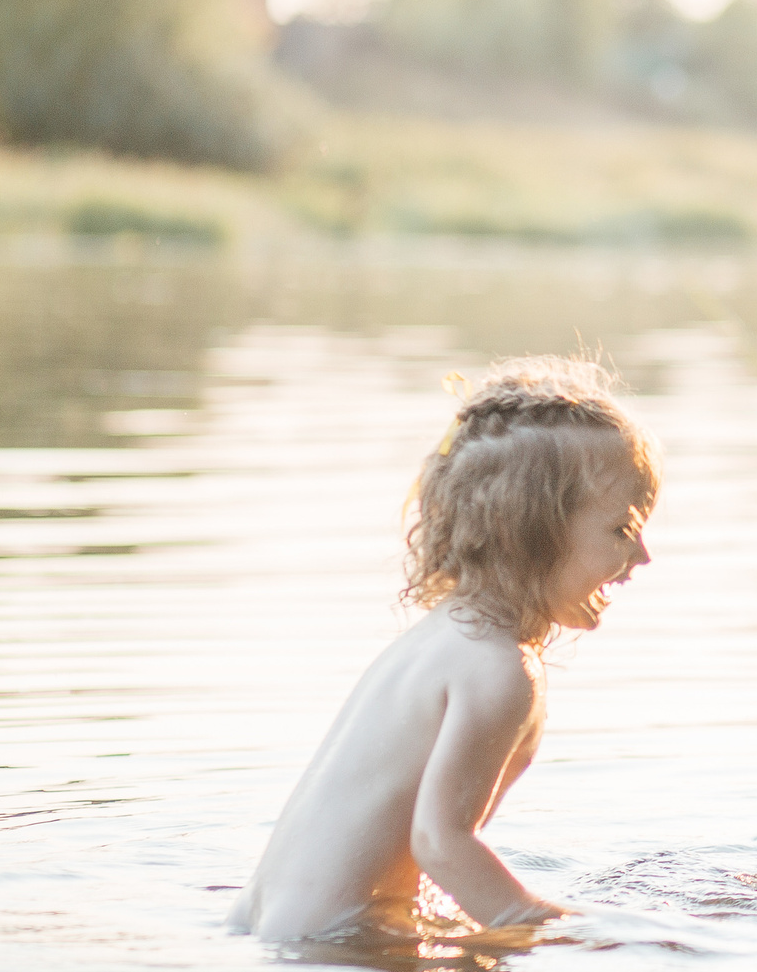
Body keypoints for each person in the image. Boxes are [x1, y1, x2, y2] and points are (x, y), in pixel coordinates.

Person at [227, 357, 657, 942]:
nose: (642, 557)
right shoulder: (500, 668)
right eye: (623, 530)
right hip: (339, 941)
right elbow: (440, 842)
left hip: (265, 919)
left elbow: (409, 848)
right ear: (529, 532)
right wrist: (545, 927)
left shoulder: (440, 636)